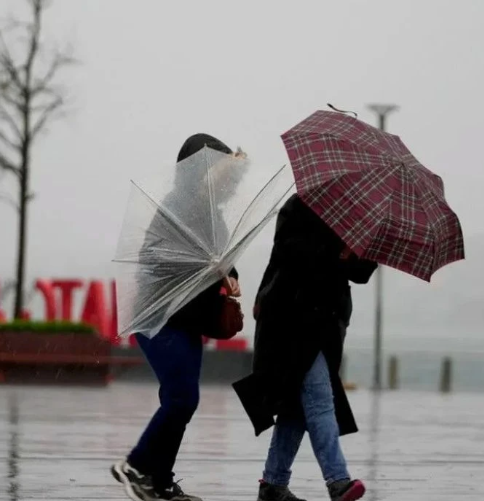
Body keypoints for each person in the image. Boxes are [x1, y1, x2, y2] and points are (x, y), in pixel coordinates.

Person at [111, 133, 242, 501]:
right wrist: (202, 265)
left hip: (190, 322)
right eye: (215, 169)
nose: (224, 179)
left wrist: (230, 279)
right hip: (161, 318)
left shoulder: (215, 218)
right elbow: (153, 256)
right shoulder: (175, 208)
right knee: (182, 399)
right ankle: (136, 466)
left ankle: (161, 482)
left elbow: (227, 266)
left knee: (181, 399)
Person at [236, 194, 377, 501]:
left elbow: (362, 273)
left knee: (295, 408)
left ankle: (273, 484)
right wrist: (338, 251)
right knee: (319, 399)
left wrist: (357, 252)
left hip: (327, 324)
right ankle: (338, 481)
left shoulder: (358, 216)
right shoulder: (299, 206)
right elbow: (292, 254)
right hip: (291, 320)